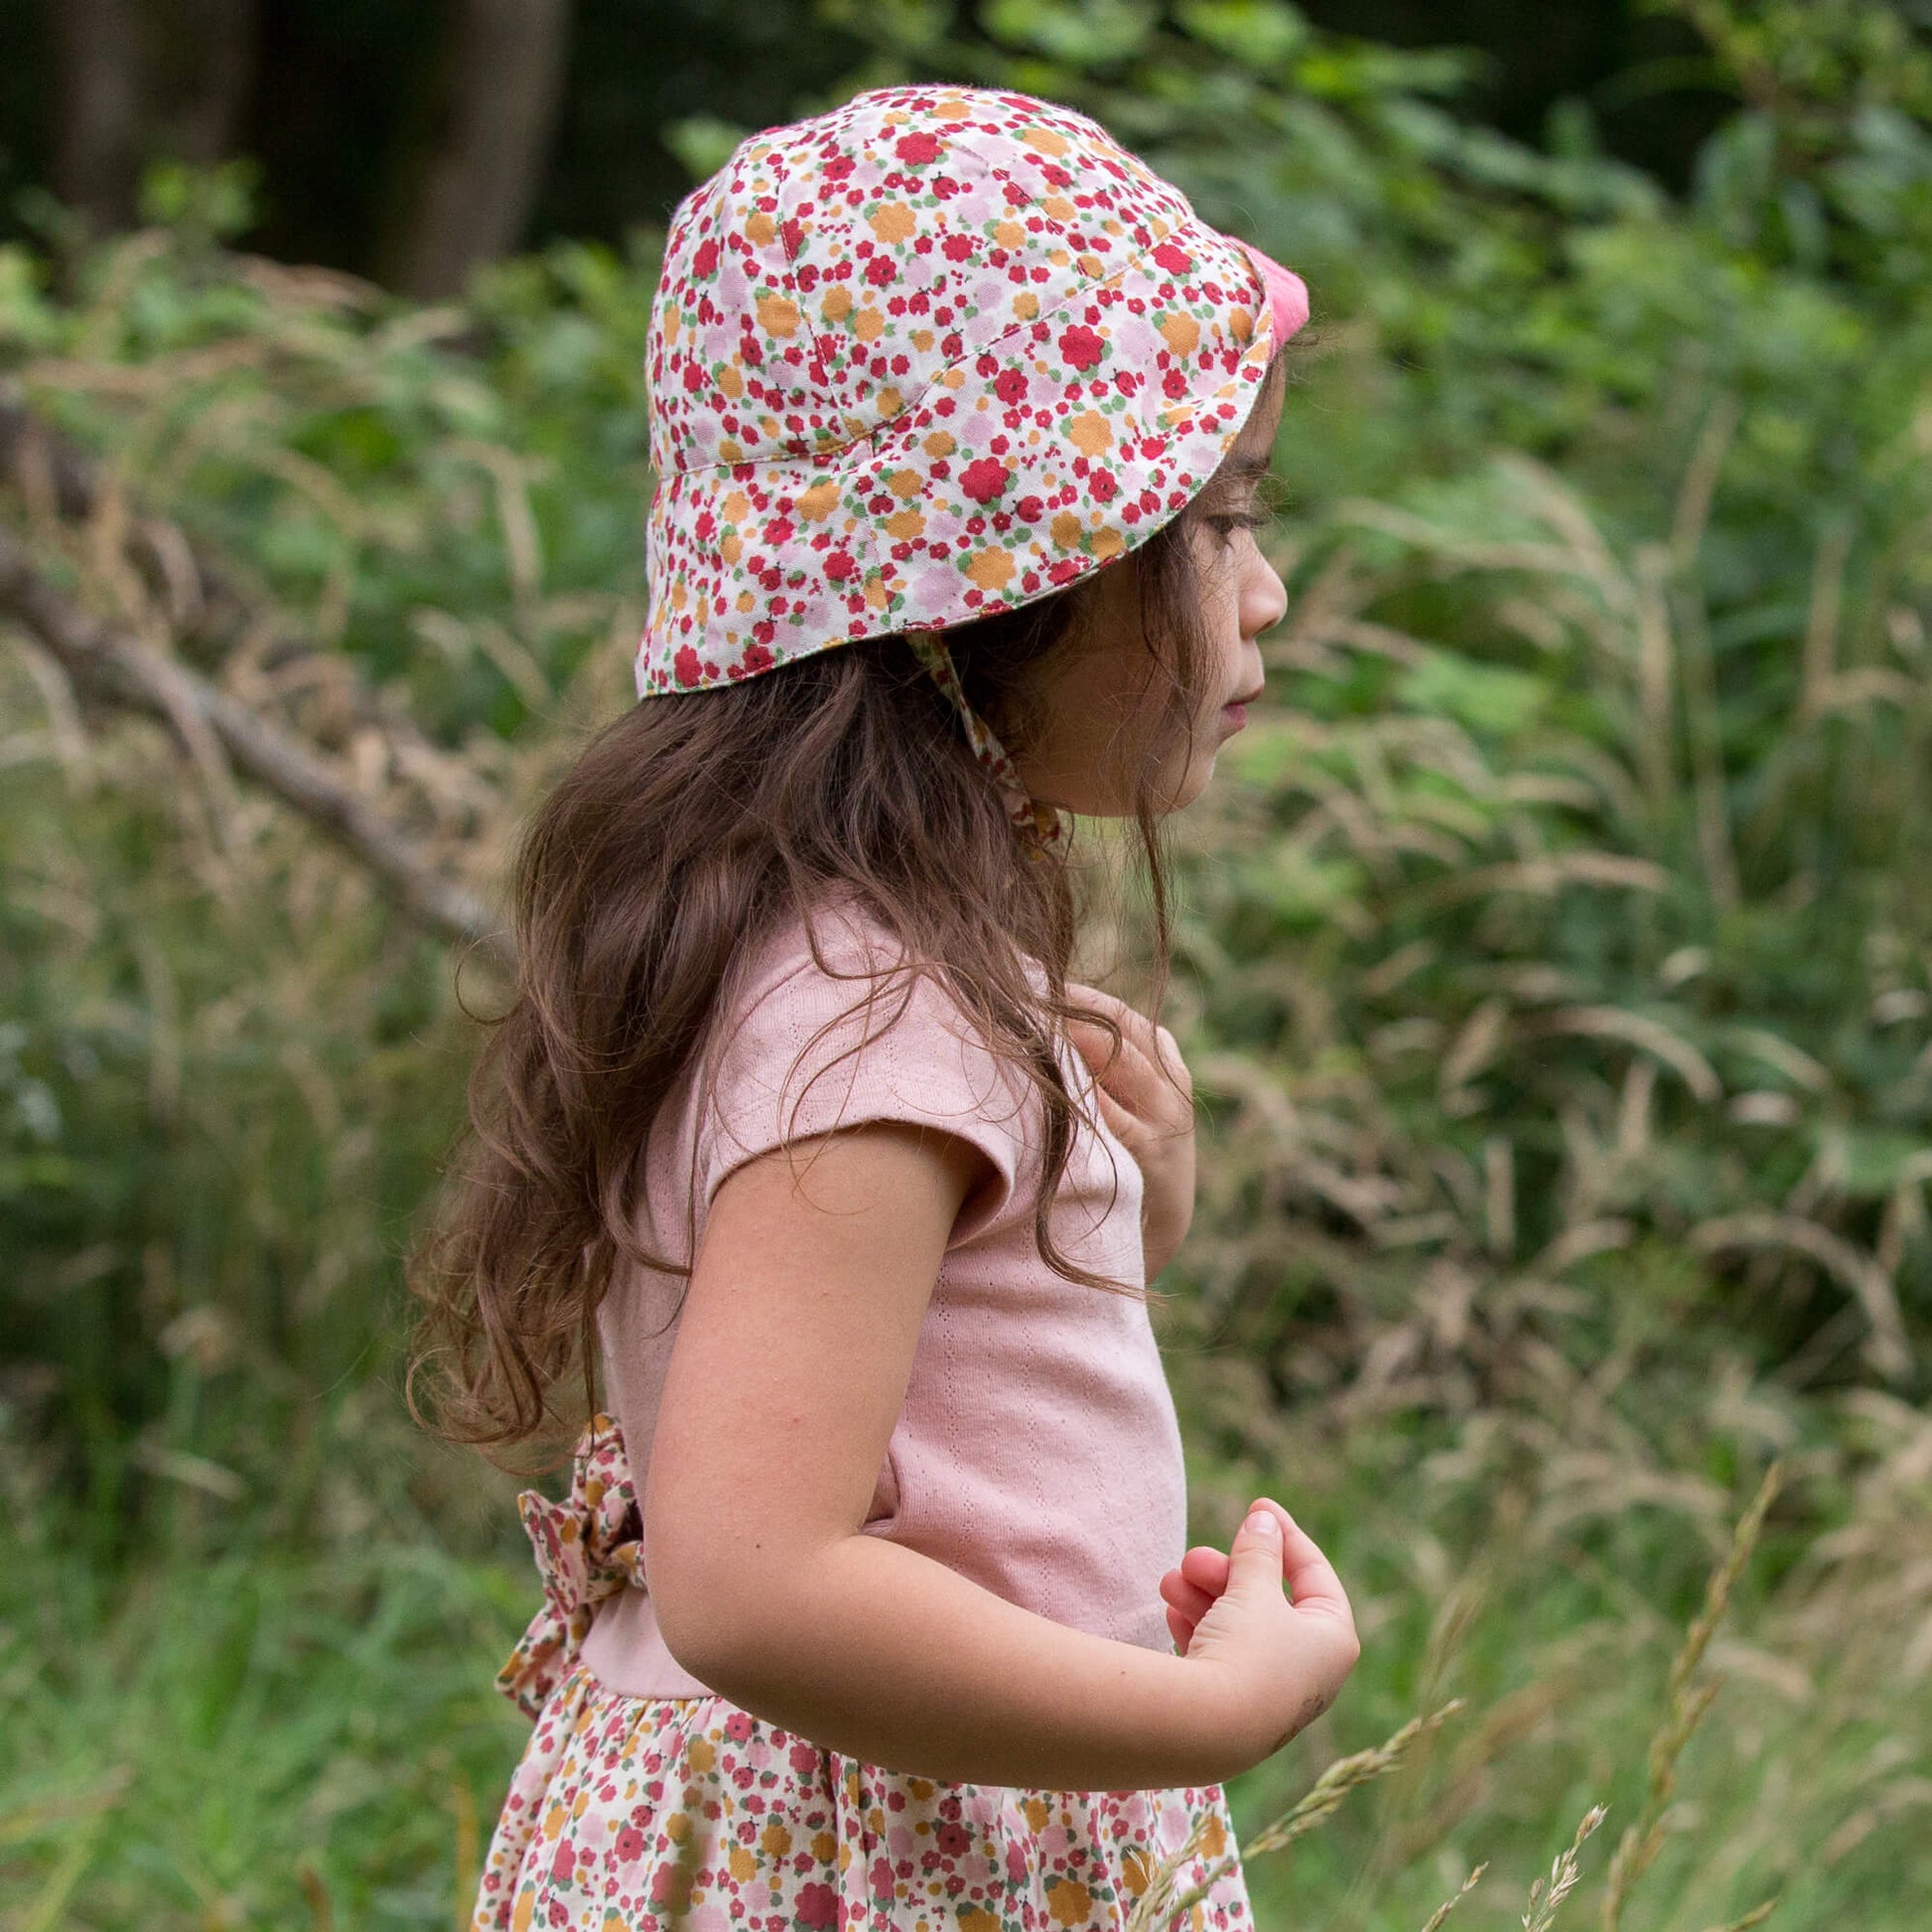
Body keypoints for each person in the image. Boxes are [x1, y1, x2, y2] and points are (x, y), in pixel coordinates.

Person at [407, 81, 1361, 1932]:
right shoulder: (871, 1027)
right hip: (877, 1854)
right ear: (982, 594)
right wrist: (1202, 1713)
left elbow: (892, 1391)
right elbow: (757, 1581)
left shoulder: (823, 954)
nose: (1270, 592)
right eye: (1215, 521)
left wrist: (1100, 1206)